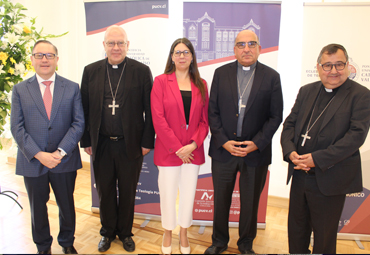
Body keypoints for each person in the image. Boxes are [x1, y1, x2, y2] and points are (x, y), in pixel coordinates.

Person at [280, 43, 370, 254]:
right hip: (300, 174)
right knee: (297, 230)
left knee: (324, 236)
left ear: (348, 66)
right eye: (327, 66)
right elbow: (289, 125)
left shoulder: (360, 95)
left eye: (339, 65)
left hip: (330, 176)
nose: (333, 71)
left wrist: (317, 159)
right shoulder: (307, 91)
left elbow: (355, 137)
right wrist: (290, 151)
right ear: (319, 67)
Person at [206, 30, 283, 254]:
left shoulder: (271, 76)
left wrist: (257, 143)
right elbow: (213, 111)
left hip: (255, 152)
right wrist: (224, 141)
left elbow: (275, 115)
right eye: (241, 45)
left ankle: (246, 243)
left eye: (251, 44)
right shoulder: (221, 73)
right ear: (234, 49)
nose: (246, 49)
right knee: (221, 200)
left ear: (259, 48)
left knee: (250, 203)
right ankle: (219, 241)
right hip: (224, 150)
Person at [80, 25, 155, 253]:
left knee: (128, 190)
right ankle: (107, 232)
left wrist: (146, 142)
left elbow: (150, 111)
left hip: (129, 144)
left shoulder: (141, 71)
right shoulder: (90, 71)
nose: (115, 47)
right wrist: (86, 140)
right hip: (101, 143)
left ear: (127, 45)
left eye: (120, 43)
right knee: (105, 191)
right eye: (111, 43)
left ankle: (125, 232)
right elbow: (83, 108)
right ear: (104, 45)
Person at [10, 40, 84, 254]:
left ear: (57, 60)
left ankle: (67, 242)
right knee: (37, 208)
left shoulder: (71, 88)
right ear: (32, 59)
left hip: (65, 159)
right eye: (39, 55)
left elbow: (78, 123)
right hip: (32, 161)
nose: (44, 59)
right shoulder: (20, 90)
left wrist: (60, 152)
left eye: (49, 55)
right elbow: (17, 127)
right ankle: (43, 247)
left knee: (66, 205)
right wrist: (39, 154)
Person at [151, 38, 209, 254]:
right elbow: (158, 119)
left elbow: (205, 121)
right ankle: (168, 231)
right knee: (166, 193)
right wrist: (178, 148)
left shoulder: (201, 84)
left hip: (192, 153)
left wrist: (192, 145)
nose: (182, 56)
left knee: (188, 193)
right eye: (178, 52)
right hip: (169, 152)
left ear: (192, 56)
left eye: (186, 52)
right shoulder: (160, 82)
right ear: (172, 57)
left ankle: (183, 231)